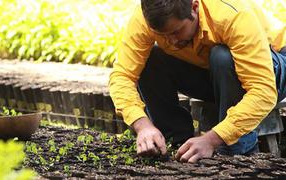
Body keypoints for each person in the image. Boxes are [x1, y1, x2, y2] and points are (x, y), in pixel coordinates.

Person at [109, 0, 286, 163]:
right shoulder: (147, 15)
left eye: (176, 31)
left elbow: (263, 91)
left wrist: (212, 139)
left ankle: (237, 153)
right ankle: (173, 145)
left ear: (194, 8)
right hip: (212, 71)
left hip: (271, 67)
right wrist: (142, 125)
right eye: (162, 35)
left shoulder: (232, 15)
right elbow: (122, 75)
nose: (171, 41)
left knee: (222, 57)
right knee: (151, 58)